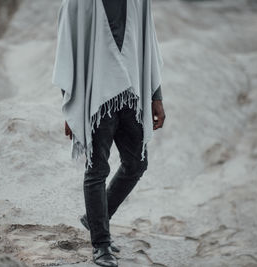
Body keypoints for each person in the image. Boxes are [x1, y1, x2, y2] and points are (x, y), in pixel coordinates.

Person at [52, 0, 165, 266]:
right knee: (96, 170)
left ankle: (94, 221)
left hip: (132, 97)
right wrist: (71, 107)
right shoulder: (77, 3)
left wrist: (156, 97)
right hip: (96, 100)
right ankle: (101, 244)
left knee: (136, 163)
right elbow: (67, 50)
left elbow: (148, 43)